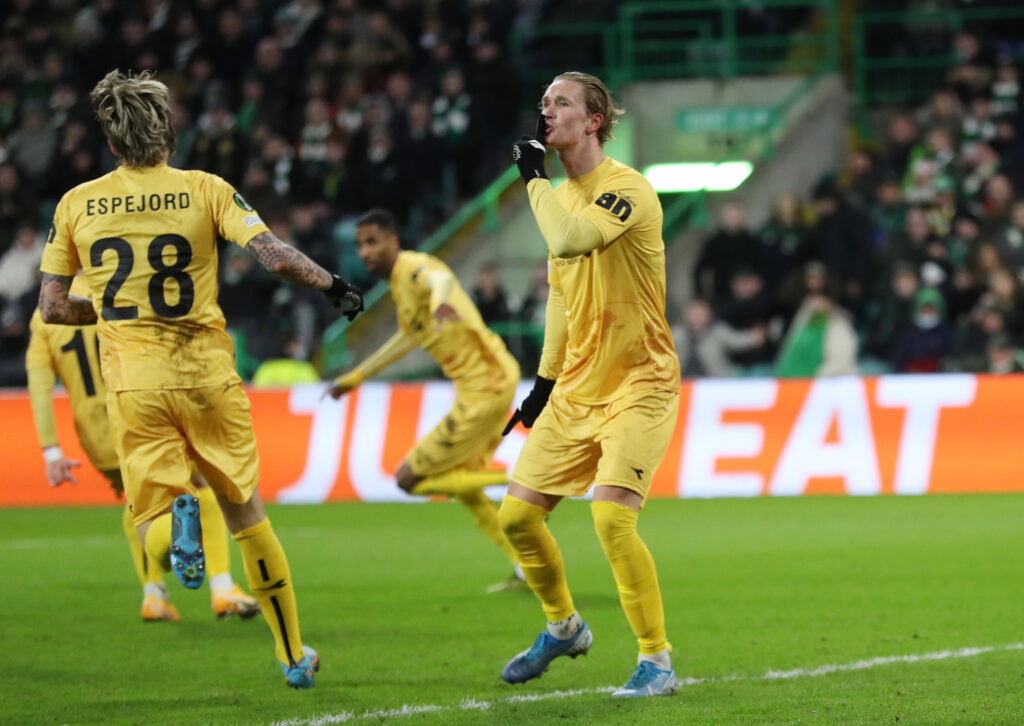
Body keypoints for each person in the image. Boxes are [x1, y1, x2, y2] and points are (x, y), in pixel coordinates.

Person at [37, 70, 363, 689]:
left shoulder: (76, 203)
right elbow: (272, 254)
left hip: (133, 383)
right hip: (206, 373)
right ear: (170, 133)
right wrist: (335, 286)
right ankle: (292, 655)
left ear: (111, 142)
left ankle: (177, 512)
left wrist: (106, 309)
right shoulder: (205, 187)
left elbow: (53, 307)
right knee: (247, 516)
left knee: (150, 511)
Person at [502, 71, 680, 698]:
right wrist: (543, 384)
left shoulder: (625, 189)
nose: (546, 111)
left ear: (594, 119)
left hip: (641, 380)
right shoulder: (559, 198)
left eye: (561, 103)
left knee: (611, 518)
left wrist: (533, 179)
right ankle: (563, 626)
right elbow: (560, 297)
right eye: (543, 101)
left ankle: (656, 661)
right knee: (517, 518)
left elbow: (570, 240)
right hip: (577, 385)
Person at [25, 275, 260, 622]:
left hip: (96, 437)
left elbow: (39, 383)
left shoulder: (46, 312)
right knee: (200, 487)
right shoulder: (123, 290)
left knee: (138, 500)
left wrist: (51, 451)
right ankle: (222, 586)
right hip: (140, 416)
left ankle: (154, 595)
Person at [326, 208, 524, 590]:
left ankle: (526, 480)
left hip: (487, 385)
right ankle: (524, 567)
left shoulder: (415, 267)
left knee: (409, 479)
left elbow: (440, 277)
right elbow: (408, 336)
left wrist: (438, 302)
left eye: (372, 242)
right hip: (485, 383)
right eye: (359, 245)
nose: (365, 252)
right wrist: (356, 377)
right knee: (465, 488)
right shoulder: (399, 286)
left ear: (393, 241)